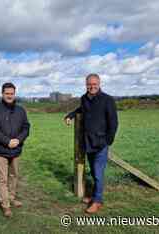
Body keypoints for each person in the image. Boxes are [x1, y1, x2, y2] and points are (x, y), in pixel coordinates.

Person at [64, 73, 118, 214]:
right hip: (88, 143)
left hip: (101, 143)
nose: (92, 87)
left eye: (94, 84)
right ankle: (94, 196)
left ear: (99, 84)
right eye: (89, 84)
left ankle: (97, 201)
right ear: (86, 84)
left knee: (98, 173)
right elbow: (81, 110)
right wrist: (70, 115)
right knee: (94, 172)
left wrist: (108, 141)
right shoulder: (84, 98)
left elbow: (113, 122)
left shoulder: (107, 100)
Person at [0, 82, 30, 218]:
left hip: (16, 149)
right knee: (2, 179)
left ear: (14, 94)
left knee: (14, 176)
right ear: (2, 94)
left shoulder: (21, 110)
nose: (9, 96)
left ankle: (11, 197)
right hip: (0, 150)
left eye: (12, 93)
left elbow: (26, 127)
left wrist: (18, 140)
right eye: (7, 93)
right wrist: (7, 141)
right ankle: (5, 205)